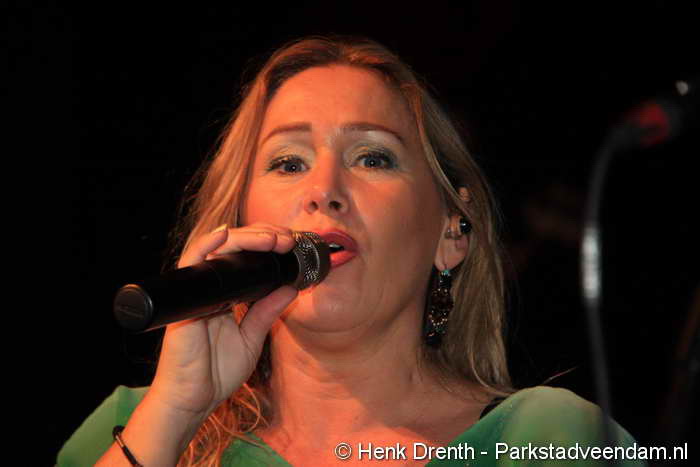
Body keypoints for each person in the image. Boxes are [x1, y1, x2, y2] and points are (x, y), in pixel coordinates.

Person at [58, 36, 644, 466]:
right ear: (238, 223)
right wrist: (176, 413)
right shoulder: (131, 428)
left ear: (452, 232)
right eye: (289, 163)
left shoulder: (548, 439)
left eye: (373, 158)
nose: (324, 190)